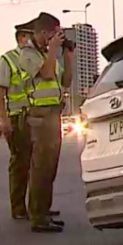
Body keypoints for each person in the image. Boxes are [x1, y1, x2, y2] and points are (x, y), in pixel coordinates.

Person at [19, 12, 73, 233]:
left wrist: (68, 56)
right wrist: (52, 51)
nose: (56, 38)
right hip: (39, 116)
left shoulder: (47, 53)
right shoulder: (27, 54)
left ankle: (44, 210)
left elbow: (65, 81)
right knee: (40, 167)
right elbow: (48, 74)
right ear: (42, 33)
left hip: (53, 115)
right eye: (53, 34)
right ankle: (38, 217)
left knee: (51, 166)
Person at [0, 18, 36, 220]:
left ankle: (37, 206)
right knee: (20, 164)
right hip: (17, 117)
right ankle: (18, 207)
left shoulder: (36, 58)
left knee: (38, 163)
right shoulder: (8, 59)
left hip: (36, 117)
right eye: (31, 36)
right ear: (22, 38)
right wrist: (4, 120)